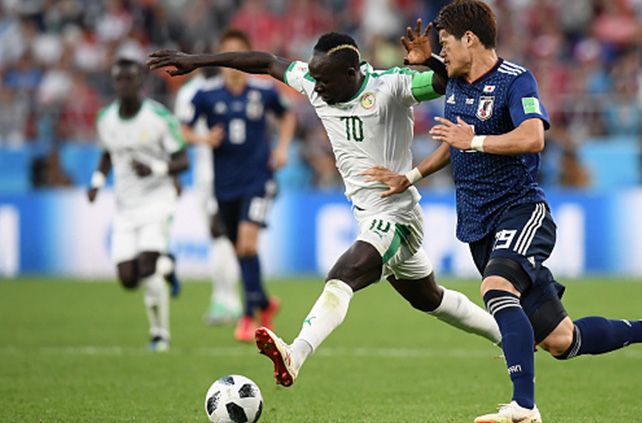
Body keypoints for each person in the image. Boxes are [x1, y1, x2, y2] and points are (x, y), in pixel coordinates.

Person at [362, 2, 642, 422]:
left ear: (470, 38)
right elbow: (454, 142)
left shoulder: (515, 80)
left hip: (520, 210)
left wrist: (477, 141)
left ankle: (524, 407)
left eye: (444, 44)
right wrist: (410, 176)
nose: (441, 52)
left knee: (496, 288)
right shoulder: (458, 84)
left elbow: (533, 136)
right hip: (479, 224)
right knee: (561, 340)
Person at [148, 30, 502, 387]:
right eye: (313, 78)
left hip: (398, 217)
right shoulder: (318, 80)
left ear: (351, 75)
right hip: (368, 216)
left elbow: (446, 83)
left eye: (324, 81)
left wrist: (427, 60)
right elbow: (266, 61)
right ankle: (509, 334)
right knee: (430, 299)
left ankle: (295, 354)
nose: (315, 88)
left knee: (341, 276)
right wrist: (197, 62)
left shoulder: (392, 86)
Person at [178, 29, 296, 342]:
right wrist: (203, 138)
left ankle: (248, 317)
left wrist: (282, 148)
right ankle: (264, 302)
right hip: (224, 186)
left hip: (258, 180)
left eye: (238, 56)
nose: (233, 64)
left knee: (247, 245)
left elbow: (287, 118)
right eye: (227, 55)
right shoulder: (205, 95)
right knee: (240, 250)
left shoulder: (263, 91)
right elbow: (183, 130)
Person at [87, 54, 189, 352]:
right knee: (128, 279)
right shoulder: (105, 119)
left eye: (129, 79)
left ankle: (160, 335)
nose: (124, 85)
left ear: (141, 82)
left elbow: (182, 160)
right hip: (125, 207)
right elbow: (107, 154)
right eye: (119, 79)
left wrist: (156, 170)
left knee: (147, 268)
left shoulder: (159, 118)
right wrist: (96, 182)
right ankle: (168, 265)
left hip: (158, 200)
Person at [174, 65, 243, 325]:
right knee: (219, 237)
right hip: (205, 175)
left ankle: (228, 300)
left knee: (221, 234)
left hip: (223, 174)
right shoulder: (192, 93)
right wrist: (205, 139)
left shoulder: (223, 89)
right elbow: (179, 134)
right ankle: (225, 298)